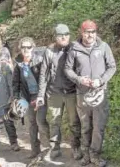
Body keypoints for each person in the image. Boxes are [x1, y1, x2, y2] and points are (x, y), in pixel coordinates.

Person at [64, 20, 117, 167]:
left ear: (96, 32)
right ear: (81, 32)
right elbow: (68, 69)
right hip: (82, 94)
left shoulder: (104, 47)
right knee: (86, 127)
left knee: (98, 126)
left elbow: (112, 67)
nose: (90, 35)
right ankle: (86, 155)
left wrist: (101, 81)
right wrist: (79, 79)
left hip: (100, 93)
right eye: (87, 32)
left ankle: (95, 155)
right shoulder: (74, 49)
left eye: (93, 32)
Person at [37, 24, 82, 160]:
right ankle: (55, 148)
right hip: (54, 93)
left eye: (66, 34)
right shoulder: (49, 51)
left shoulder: (75, 48)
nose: (63, 37)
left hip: (71, 92)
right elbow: (43, 74)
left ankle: (76, 147)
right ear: (55, 37)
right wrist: (40, 95)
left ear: (70, 35)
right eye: (60, 35)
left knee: (74, 122)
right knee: (54, 122)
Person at [12, 37, 50, 159]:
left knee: (41, 122)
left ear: (33, 47)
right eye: (23, 47)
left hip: (40, 95)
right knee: (31, 124)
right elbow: (16, 82)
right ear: (20, 48)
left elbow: (45, 78)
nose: (26, 49)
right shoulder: (18, 63)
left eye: (29, 47)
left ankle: (50, 148)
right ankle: (35, 150)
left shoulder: (39, 60)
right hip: (27, 97)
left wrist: (41, 95)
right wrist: (17, 97)